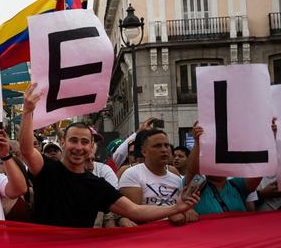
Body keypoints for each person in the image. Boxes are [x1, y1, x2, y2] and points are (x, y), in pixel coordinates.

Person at [18, 83, 199, 228]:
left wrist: (175, 208)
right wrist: (28, 112)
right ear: (63, 143)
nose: (78, 147)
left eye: (84, 142)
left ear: (91, 147)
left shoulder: (97, 185)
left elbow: (135, 211)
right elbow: (26, 149)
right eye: (73, 140)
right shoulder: (47, 168)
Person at [117, 128, 196, 225]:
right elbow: (134, 215)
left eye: (166, 145)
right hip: (148, 235)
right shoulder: (132, 174)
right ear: (144, 151)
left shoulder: (176, 179)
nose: (164, 150)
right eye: (157, 146)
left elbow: (180, 207)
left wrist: (187, 212)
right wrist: (171, 213)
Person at [185, 122, 261, 216]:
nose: (220, 162)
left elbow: (261, 169)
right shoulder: (198, 185)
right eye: (215, 159)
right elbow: (192, 170)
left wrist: (270, 138)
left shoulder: (237, 185)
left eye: (224, 158)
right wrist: (197, 143)